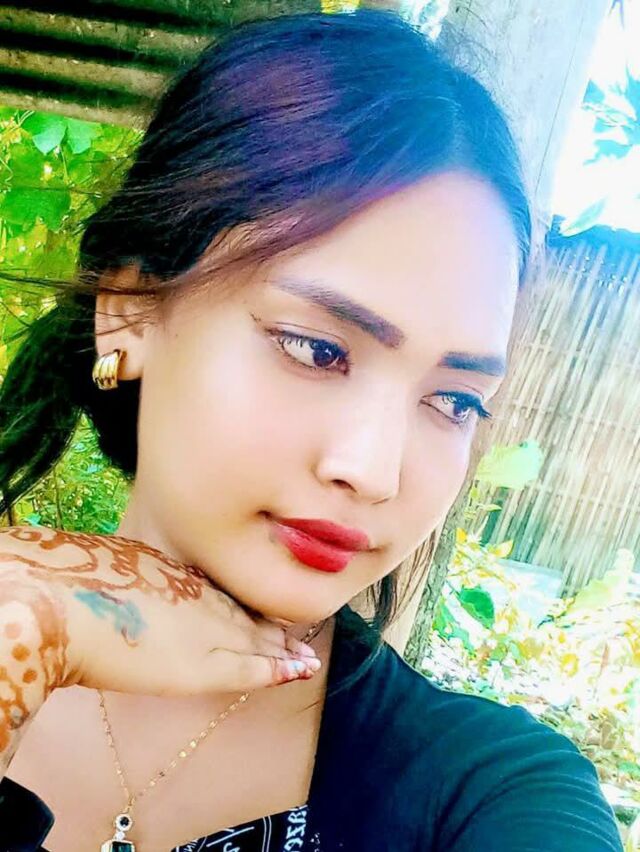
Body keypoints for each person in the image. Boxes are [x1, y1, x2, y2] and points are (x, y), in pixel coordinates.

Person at [0, 8, 623, 852]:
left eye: (453, 401)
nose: (374, 471)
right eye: (317, 349)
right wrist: (23, 637)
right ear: (131, 307)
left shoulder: (489, 793)